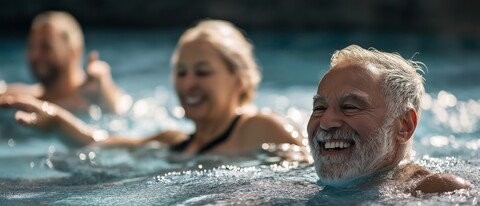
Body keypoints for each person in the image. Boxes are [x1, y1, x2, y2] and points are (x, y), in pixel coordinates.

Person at [0, 20, 303, 156]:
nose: (188, 84)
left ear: (240, 79)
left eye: (202, 72)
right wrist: (54, 120)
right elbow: (99, 143)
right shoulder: (174, 141)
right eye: (181, 72)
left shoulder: (260, 129)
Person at [307, 44, 471, 194]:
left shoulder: (435, 190)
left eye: (350, 107)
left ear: (404, 126)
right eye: (319, 108)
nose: (326, 122)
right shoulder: (301, 180)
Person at [2, 11, 128, 114]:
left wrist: (103, 92)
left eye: (46, 47)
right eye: (31, 47)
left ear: (73, 50)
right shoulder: (22, 97)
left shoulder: (92, 99)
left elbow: (119, 112)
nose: (35, 55)